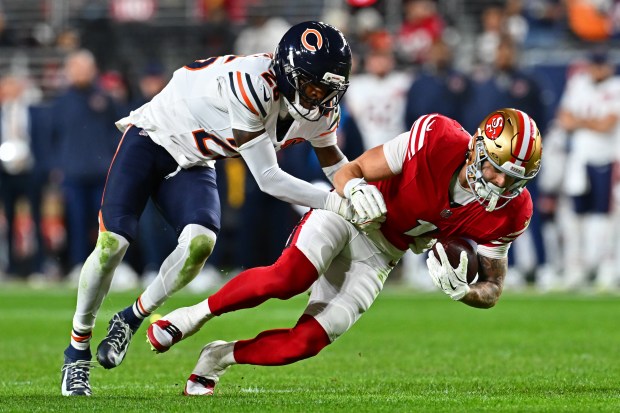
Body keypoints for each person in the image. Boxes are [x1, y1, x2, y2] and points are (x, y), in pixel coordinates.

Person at [60, 21, 386, 396]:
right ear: (287, 71)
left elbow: (336, 165)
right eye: (313, 85)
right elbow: (268, 178)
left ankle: (131, 317)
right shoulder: (252, 83)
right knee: (112, 243)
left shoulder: (320, 108)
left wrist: (358, 186)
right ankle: (77, 351)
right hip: (153, 138)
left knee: (201, 244)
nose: (319, 97)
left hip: (197, 160)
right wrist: (339, 203)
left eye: (329, 89)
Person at [147, 108, 543, 396]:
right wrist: (353, 190)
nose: (500, 183)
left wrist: (464, 292)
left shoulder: (514, 211)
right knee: (289, 277)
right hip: (353, 214)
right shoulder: (437, 138)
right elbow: (349, 171)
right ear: (478, 146)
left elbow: (493, 286)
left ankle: (218, 357)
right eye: (496, 168)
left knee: (306, 343)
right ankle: (191, 316)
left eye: (514, 179)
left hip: (383, 253)